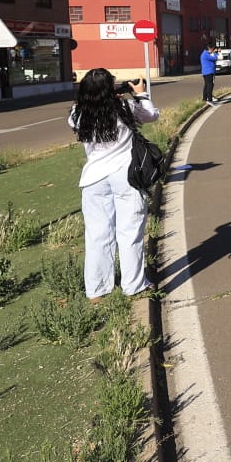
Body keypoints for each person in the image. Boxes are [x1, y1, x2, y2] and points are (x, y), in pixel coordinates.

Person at [70, 71, 160, 301]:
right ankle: (134, 284)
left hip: (93, 179)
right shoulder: (124, 109)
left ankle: (97, 290)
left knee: (97, 235)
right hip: (125, 176)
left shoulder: (76, 114)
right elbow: (151, 115)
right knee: (129, 232)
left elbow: (78, 114)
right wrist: (141, 94)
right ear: (111, 89)